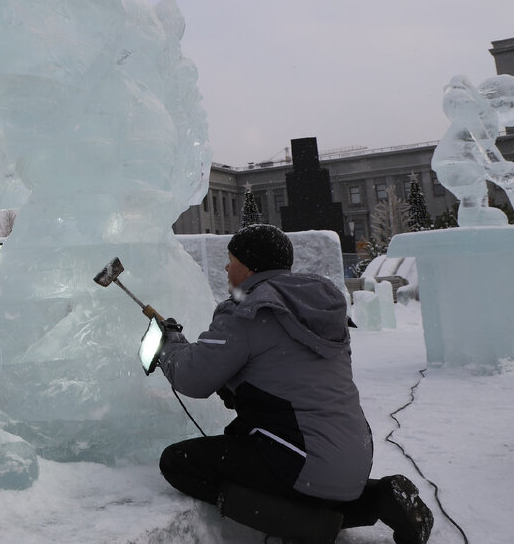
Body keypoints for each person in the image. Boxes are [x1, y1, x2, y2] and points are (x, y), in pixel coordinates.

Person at [156, 224, 433, 544]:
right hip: (352, 454)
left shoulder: (247, 311)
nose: (226, 268)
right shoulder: (318, 309)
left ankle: (309, 525)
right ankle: (382, 496)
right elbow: (291, 377)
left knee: (180, 463)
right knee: (302, 478)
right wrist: (239, 388)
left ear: (246, 266)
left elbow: (191, 378)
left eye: (230, 260)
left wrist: (169, 345)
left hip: (302, 458)